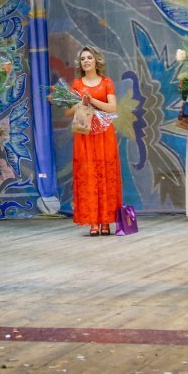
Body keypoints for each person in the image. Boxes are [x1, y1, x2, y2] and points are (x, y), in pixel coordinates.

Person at [70, 46, 122, 236]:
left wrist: (92, 100)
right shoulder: (76, 84)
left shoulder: (106, 82)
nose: (86, 61)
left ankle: (106, 221)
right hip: (84, 134)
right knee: (88, 174)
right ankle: (93, 221)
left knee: (106, 172)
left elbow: (112, 107)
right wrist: (81, 103)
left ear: (96, 61)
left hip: (104, 133)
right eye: (83, 58)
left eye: (89, 58)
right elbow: (68, 110)